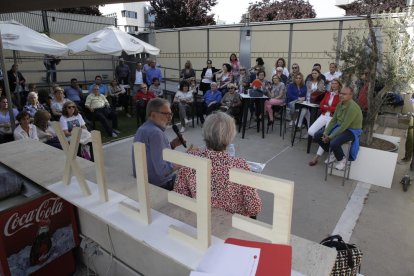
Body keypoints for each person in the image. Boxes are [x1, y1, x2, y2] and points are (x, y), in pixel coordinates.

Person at [173, 112, 262, 217]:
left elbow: (179, 195)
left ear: (205, 133)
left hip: (200, 218)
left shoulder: (190, 159)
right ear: (230, 136)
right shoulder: (240, 165)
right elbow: (254, 208)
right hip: (229, 225)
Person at [133, 98, 184, 190]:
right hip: (160, 185)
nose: (170, 118)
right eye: (166, 114)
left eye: (171, 114)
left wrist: (172, 145)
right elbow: (162, 171)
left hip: (145, 181)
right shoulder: (156, 133)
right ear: (153, 115)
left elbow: (154, 155)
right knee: (195, 176)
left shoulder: (143, 128)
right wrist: (185, 160)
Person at [314, 86, 363, 171]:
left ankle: (342, 160)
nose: (341, 95)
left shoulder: (352, 107)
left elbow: (345, 126)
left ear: (351, 95)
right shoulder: (340, 104)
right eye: (340, 93)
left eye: (344, 94)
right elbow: (333, 120)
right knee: (318, 135)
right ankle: (333, 152)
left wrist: (330, 137)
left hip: (352, 130)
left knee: (333, 142)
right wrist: (326, 133)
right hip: (340, 127)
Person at [308, 79, 341, 166]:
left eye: (335, 83)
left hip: (332, 117)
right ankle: (330, 149)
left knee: (324, 136)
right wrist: (328, 108)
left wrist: (328, 108)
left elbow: (338, 109)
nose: (333, 85)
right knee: (311, 131)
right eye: (332, 83)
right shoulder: (328, 93)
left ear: (339, 85)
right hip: (323, 115)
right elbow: (321, 105)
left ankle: (316, 157)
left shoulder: (340, 96)